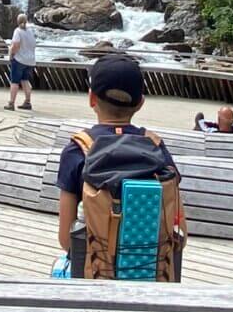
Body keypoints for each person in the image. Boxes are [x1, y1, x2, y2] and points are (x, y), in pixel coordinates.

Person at [56, 53, 177, 254]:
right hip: (151, 273)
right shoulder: (156, 146)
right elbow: (177, 229)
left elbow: (65, 239)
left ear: (91, 98)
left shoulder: (77, 150)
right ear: (140, 103)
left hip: (92, 273)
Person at [5, 13, 37, 111]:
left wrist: (11, 55)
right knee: (25, 81)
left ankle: (11, 103)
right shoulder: (30, 31)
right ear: (26, 21)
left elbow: (15, 45)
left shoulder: (18, 31)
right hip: (30, 61)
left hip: (19, 60)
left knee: (14, 82)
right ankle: (27, 102)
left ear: (17, 21)